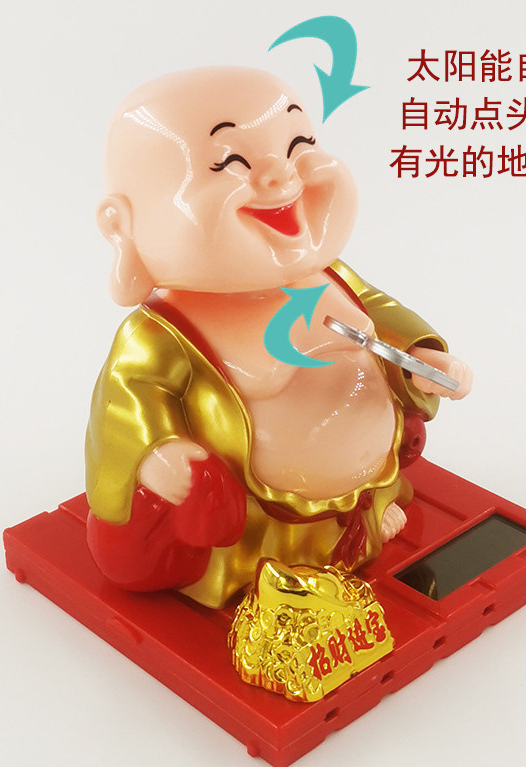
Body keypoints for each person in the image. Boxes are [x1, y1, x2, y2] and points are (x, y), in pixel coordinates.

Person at [85, 67, 472, 608]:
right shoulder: (160, 331)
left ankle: (368, 515)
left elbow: (383, 315)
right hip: (256, 519)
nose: (282, 177)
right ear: (124, 224)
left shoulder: (333, 277)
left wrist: (422, 357)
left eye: (298, 145)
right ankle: (260, 568)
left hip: (361, 487)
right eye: (231, 163)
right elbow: (131, 397)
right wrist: (162, 453)